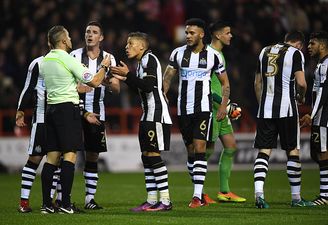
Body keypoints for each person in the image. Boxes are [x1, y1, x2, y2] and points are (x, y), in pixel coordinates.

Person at [39, 25, 110, 214]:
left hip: (51, 109)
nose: (71, 39)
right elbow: (94, 82)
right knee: (70, 155)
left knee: (52, 158)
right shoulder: (68, 59)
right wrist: (104, 66)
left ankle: (47, 204)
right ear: (63, 41)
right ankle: (65, 204)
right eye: (68, 36)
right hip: (67, 110)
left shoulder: (45, 60)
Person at [163, 18, 226, 208]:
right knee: (190, 151)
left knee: (200, 147)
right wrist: (163, 92)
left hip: (203, 108)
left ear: (201, 34)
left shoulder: (214, 56)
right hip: (184, 110)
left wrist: (223, 106)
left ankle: (197, 196)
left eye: (192, 33)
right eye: (187, 33)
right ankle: (201, 192)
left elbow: (225, 83)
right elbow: (167, 77)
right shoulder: (178, 53)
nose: (188, 36)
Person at [111, 32, 173, 211]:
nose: (126, 47)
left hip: (157, 114)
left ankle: (166, 201)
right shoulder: (141, 64)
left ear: (141, 47)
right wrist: (126, 79)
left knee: (153, 155)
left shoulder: (149, 59)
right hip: (148, 114)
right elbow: (141, 87)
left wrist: (128, 76)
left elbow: (148, 86)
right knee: (146, 156)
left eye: (130, 44)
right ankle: (152, 199)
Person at [253, 31, 314, 208]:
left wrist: (262, 104)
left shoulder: (264, 51)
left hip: (266, 109)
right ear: (299, 44)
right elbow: (301, 83)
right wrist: (301, 97)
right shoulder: (295, 53)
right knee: (292, 151)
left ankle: (259, 194)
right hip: (287, 109)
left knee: (263, 152)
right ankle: (296, 198)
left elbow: (257, 83)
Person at [70, 21, 120, 210]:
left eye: (94, 32)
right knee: (67, 154)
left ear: (101, 37)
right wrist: (81, 87)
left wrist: (108, 82)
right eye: (87, 32)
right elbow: (67, 83)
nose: (90, 35)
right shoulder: (74, 55)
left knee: (92, 156)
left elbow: (116, 88)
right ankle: (60, 197)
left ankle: (89, 199)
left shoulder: (109, 58)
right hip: (75, 111)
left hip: (98, 113)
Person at [206, 21, 246, 203]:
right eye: (228, 32)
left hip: (221, 109)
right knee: (204, 152)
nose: (231, 36)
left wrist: (227, 104)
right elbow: (206, 86)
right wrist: (224, 105)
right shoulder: (208, 55)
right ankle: (199, 193)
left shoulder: (220, 54)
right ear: (217, 35)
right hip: (211, 110)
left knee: (230, 147)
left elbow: (221, 85)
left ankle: (224, 191)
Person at [16, 56, 59, 212]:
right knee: (34, 160)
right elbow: (28, 87)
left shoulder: (69, 60)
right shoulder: (38, 63)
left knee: (56, 162)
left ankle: (50, 202)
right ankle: (24, 203)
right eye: (67, 37)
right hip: (41, 119)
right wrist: (20, 109)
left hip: (61, 121)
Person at [300, 31, 328, 205]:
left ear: (323, 45)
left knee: (322, 153)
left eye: (313, 44)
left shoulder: (326, 64)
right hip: (321, 116)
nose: (309, 47)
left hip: (324, 117)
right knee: (316, 153)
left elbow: (324, 92)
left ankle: (325, 196)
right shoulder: (320, 64)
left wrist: (312, 113)